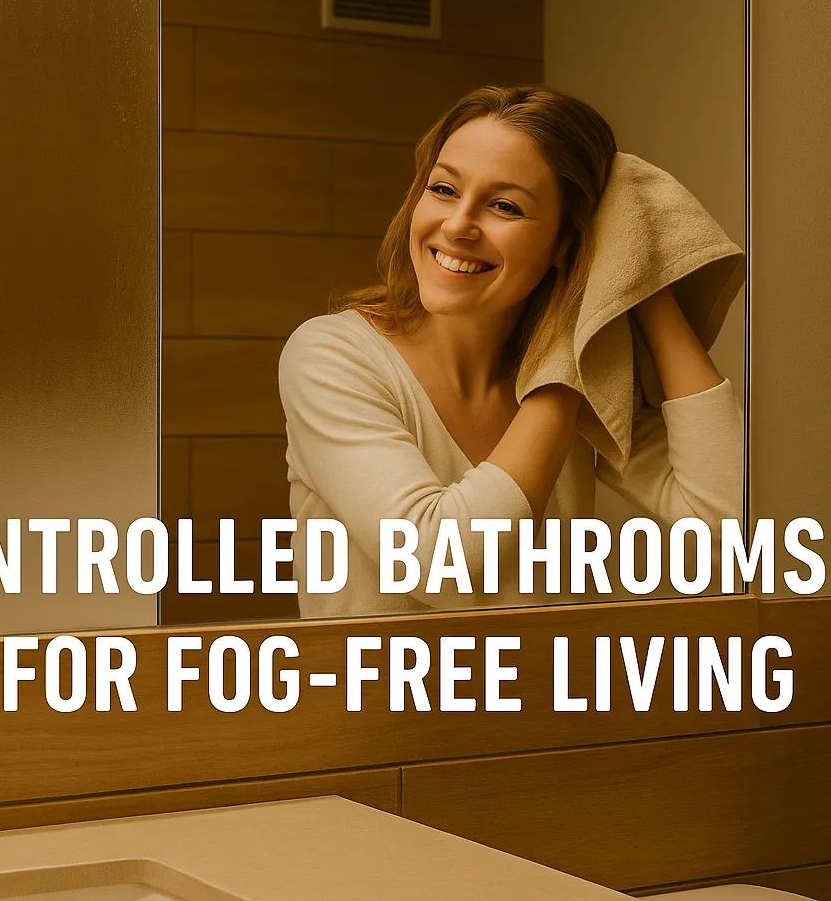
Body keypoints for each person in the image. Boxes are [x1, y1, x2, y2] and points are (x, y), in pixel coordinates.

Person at [278, 85, 743, 617]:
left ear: (566, 243)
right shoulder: (333, 356)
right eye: (444, 189)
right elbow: (435, 564)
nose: (457, 225)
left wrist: (637, 276)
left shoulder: (591, 371)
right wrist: (565, 366)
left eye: (505, 205)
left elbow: (731, 531)